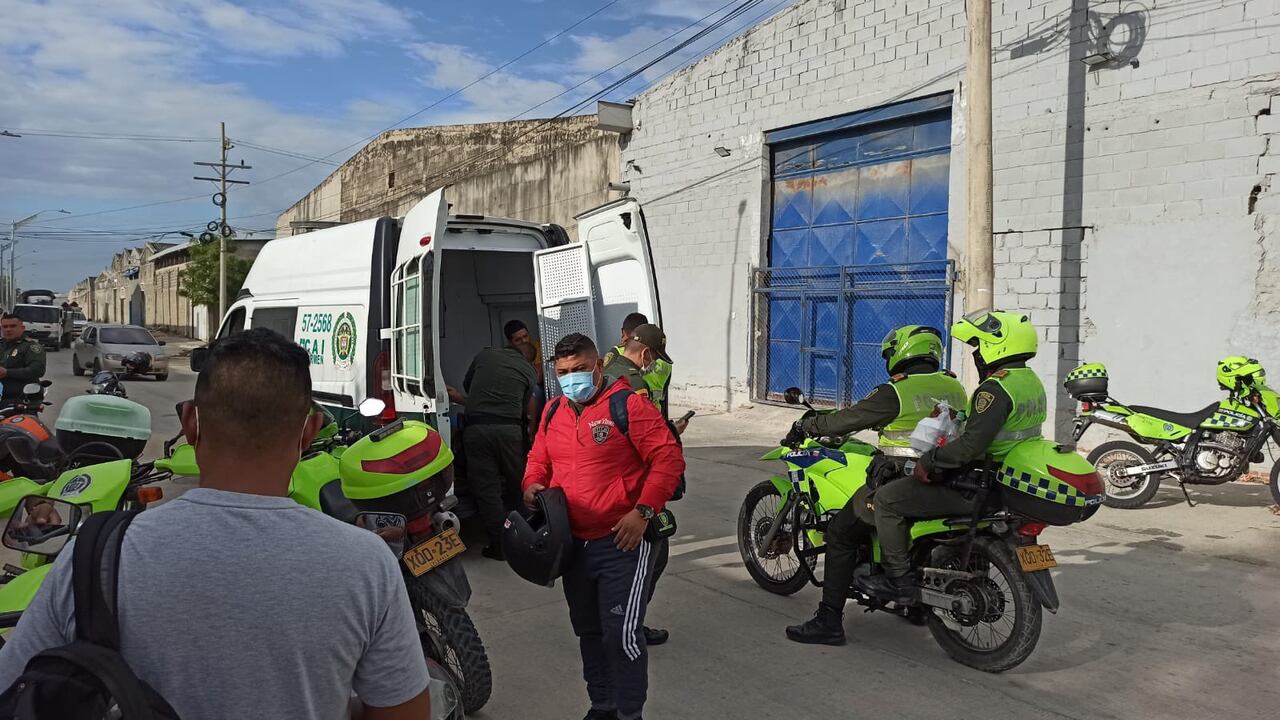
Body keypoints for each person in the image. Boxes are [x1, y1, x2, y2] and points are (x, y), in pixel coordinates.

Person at [0, 328, 431, 720]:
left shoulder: (99, 553)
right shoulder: (365, 563)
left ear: (190, 424)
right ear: (310, 430)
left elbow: (14, 690)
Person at [523, 333, 684, 720]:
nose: (571, 378)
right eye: (563, 372)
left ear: (598, 366)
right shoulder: (553, 411)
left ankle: (630, 713)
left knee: (622, 635)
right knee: (589, 633)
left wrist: (642, 511)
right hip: (572, 545)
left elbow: (668, 459)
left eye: (579, 369)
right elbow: (538, 457)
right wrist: (530, 484)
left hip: (622, 542)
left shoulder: (629, 406)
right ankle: (602, 705)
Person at [785, 325, 966, 645]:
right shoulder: (954, 386)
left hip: (900, 477)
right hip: (946, 477)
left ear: (902, 351)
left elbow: (847, 420)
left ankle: (829, 620)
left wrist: (808, 423)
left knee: (841, 533)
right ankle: (913, 605)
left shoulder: (895, 391)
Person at [857, 310, 1047, 603]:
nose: (976, 355)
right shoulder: (1029, 381)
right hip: (1004, 481)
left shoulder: (995, 389)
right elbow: (995, 426)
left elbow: (971, 445)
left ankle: (899, 582)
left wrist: (929, 462)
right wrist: (956, 416)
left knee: (887, 500)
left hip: (976, 484)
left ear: (997, 346)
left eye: (978, 347)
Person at [602, 322, 683, 647]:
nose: (653, 364)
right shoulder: (634, 381)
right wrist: (672, 433)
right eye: (654, 357)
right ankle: (627, 624)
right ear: (646, 352)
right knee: (651, 554)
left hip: (610, 477)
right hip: (633, 484)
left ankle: (619, 621)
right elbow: (645, 439)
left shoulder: (608, 365)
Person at [461, 319, 539, 560]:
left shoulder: (485, 356)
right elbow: (526, 406)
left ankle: (500, 545)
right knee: (521, 483)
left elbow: (467, 384)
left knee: (487, 489)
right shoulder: (529, 372)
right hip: (509, 431)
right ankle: (528, 538)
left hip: (476, 429)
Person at [0, 313, 45, 402]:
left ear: (22, 328)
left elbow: (37, 370)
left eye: (13, 326)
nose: (8, 329)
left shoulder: (30, 347)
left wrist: (7, 373)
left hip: (21, 398)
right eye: (5, 327)